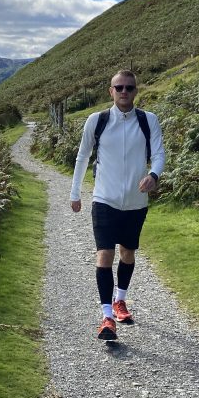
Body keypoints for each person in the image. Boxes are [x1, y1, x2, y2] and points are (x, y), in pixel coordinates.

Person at [70, 70, 165, 340]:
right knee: (105, 254)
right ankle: (107, 318)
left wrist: (154, 175)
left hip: (136, 202)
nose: (124, 92)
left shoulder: (149, 121)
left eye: (129, 88)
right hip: (104, 200)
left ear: (136, 91)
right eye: (119, 87)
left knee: (127, 253)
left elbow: (158, 154)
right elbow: (82, 156)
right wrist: (75, 193)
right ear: (110, 91)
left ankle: (120, 301)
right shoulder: (97, 121)